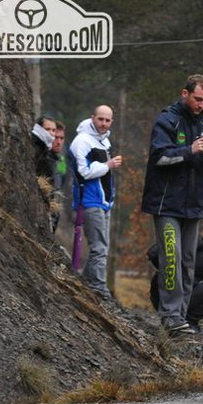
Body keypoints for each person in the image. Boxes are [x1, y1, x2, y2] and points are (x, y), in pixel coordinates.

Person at [142, 74, 203, 334]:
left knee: (189, 261)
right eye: (198, 99)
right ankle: (169, 315)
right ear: (185, 94)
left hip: (193, 204)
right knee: (171, 258)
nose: (201, 104)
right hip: (166, 204)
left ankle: (184, 316)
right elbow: (159, 157)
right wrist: (189, 150)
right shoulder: (167, 120)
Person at [69, 105, 123, 299]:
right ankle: (99, 289)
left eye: (107, 120)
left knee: (102, 247)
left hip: (104, 202)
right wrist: (108, 165)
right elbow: (83, 171)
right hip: (89, 201)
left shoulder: (104, 141)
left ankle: (84, 282)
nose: (103, 124)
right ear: (92, 117)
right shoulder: (82, 141)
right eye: (100, 119)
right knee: (99, 247)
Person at [49, 121, 68, 233]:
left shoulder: (61, 159)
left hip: (56, 204)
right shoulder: (43, 157)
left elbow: (62, 180)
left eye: (62, 138)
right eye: (56, 138)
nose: (59, 142)